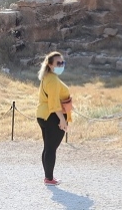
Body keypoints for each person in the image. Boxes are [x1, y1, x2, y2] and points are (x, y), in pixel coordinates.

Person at [36, 51, 71, 186]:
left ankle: (48, 177)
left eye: (63, 63)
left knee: (48, 147)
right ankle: (49, 178)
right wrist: (62, 120)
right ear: (50, 65)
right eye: (58, 63)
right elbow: (54, 103)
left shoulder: (47, 77)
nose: (61, 65)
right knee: (51, 148)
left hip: (43, 115)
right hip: (51, 117)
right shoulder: (53, 80)